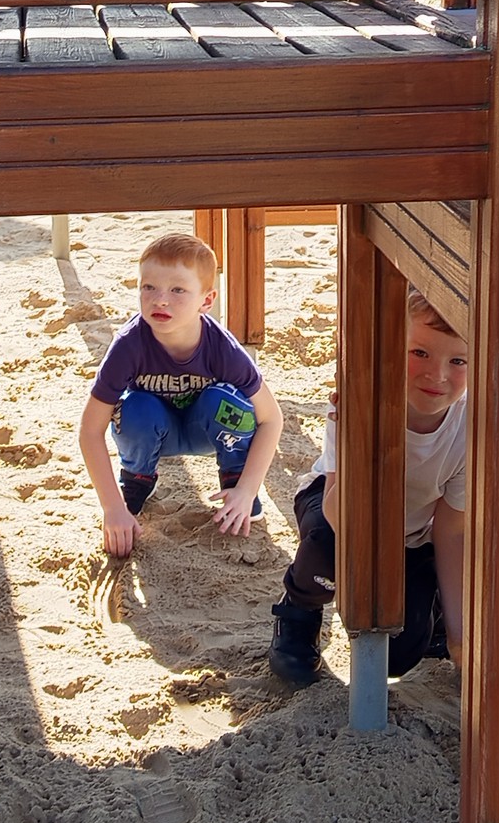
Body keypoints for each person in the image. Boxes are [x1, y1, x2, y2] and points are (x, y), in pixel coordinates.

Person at [269, 290, 467, 687]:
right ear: (391, 346)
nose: (437, 375)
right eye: (420, 353)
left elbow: (451, 530)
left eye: (458, 360)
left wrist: (460, 635)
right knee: (325, 550)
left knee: (399, 655)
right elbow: (337, 511)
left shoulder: (470, 424)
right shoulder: (359, 400)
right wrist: (357, 436)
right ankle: (300, 610)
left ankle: (428, 612)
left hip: (411, 535)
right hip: (336, 507)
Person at [78, 231, 283, 558]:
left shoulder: (221, 348)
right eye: (149, 287)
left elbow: (272, 419)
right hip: (154, 432)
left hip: (207, 429)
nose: (160, 300)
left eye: (177, 290)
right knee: (136, 407)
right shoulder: (129, 346)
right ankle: (138, 477)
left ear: (207, 301)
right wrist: (112, 507)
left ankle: (234, 477)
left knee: (224, 400)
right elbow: (90, 430)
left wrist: (249, 488)